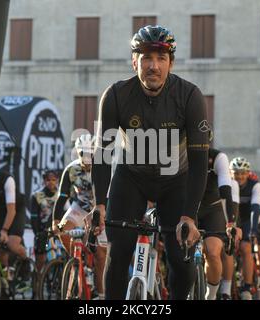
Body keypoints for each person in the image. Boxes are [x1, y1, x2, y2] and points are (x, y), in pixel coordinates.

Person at [92, 25, 209, 299]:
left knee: (181, 263)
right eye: (146, 58)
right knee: (118, 254)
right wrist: (98, 203)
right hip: (131, 178)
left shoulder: (190, 96)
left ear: (171, 63)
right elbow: (102, 153)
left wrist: (189, 217)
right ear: (134, 62)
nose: (153, 66)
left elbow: (200, 162)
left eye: (161, 58)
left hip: (176, 181)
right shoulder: (116, 95)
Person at [52, 134, 107, 299]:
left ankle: (102, 294)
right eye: (83, 153)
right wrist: (55, 222)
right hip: (79, 208)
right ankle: (77, 259)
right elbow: (62, 197)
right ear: (78, 152)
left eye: (91, 153)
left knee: (100, 255)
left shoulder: (103, 167)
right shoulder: (71, 169)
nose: (87, 157)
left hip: (98, 210)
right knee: (61, 229)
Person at [198, 147, 241, 300]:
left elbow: (225, 191)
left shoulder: (218, 157)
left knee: (213, 252)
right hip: (187, 209)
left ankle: (211, 294)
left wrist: (230, 223)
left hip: (212, 209)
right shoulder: (179, 152)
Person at [229, 157, 260, 300]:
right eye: (236, 173)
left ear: (248, 173)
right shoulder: (227, 184)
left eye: (243, 173)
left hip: (247, 219)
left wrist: (254, 230)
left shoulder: (255, 185)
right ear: (231, 173)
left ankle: (247, 286)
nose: (240, 176)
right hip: (231, 217)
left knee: (246, 248)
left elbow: (255, 208)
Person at [30, 170, 60, 272]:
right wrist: (37, 233)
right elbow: (34, 218)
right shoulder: (37, 196)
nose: (51, 182)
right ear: (44, 181)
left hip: (57, 230)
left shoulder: (61, 195)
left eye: (53, 180)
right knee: (40, 261)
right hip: (42, 231)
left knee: (60, 257)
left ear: (57, 180)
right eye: (48, 180)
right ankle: (38, 282)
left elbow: (66, 212)